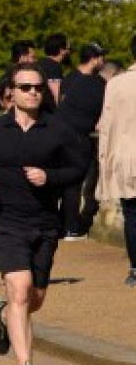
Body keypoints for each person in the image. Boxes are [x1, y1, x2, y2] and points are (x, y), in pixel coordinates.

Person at [0, 61, 85, 365]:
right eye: (25, 87)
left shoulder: (58, 130)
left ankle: (3, 316)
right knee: (20, 290)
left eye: (38, 88)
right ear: (11, 93)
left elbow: (80, 167)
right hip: (7, 223)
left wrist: (51, 178)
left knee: (35, 299)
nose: (32, 93)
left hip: (45, 224)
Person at [56, 42, 107, 240]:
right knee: (73, 184)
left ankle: (62, 226)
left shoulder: (70, 79)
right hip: (78, 138)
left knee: (65, 183)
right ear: (94, 59)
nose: (103, 61)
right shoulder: (97, 84)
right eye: (101, 57)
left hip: (62, 134)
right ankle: (71, 227)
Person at [97, 34, 136, 287]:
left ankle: (135, 268)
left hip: (126, 157)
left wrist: (105, 166)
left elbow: (106, 127)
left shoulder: (117, 84)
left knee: (132, 215)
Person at [38, 33, 70, 107]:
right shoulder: (54, 66)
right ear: (62, 51)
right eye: (68, 49)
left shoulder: (40, 63)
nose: (69, 52)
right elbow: (56, 95)